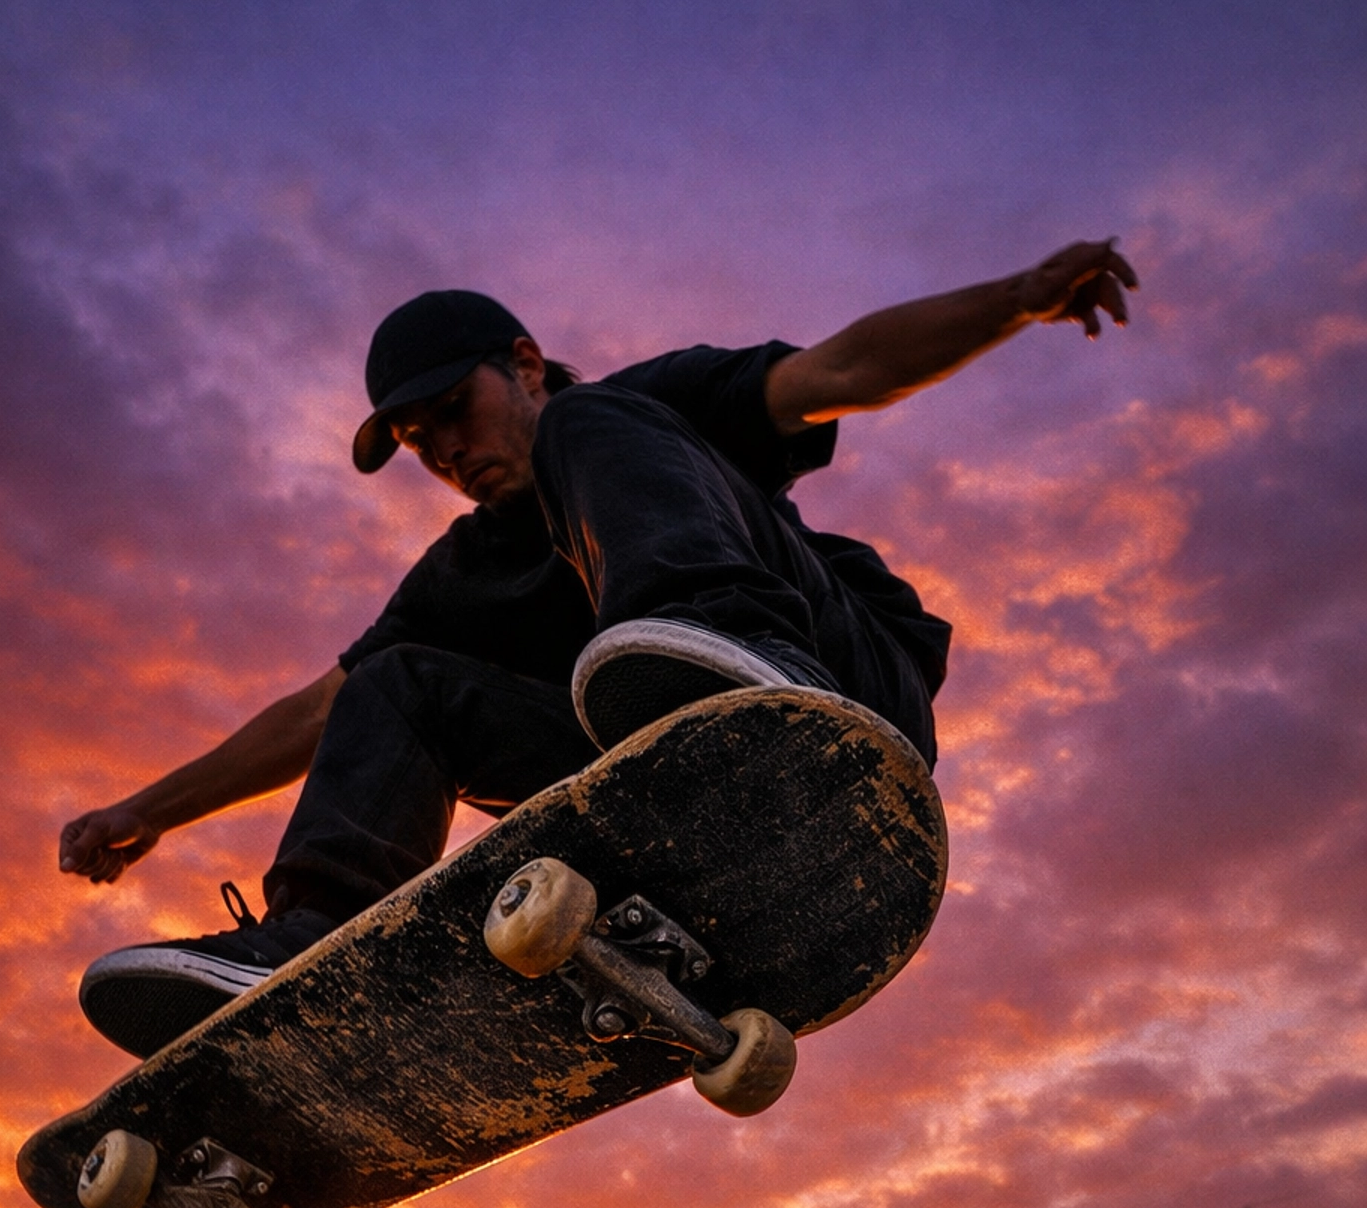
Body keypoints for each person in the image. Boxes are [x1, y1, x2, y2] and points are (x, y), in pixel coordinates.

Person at [62, 241, 1136, 1057]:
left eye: (453, 412)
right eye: (419, 443)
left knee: (590, 427)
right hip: (662, 777)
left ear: (523, 363)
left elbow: (841, 367)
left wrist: (1020, 298)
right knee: (394, 685)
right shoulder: (464, 570)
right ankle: (308, 952)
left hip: (842, 696)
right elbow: (317, 714)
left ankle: (731, 666)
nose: (445, 452)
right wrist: (146, 812)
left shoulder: (640, 410)